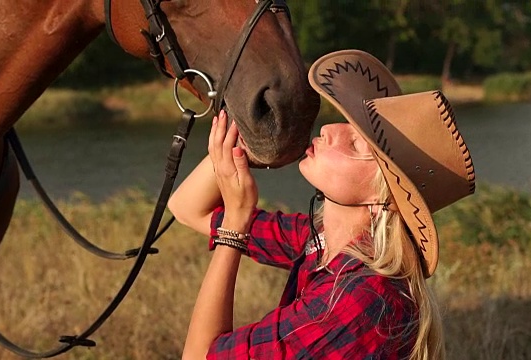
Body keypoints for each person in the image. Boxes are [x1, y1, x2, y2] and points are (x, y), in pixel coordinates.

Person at [168, 50, 476, 360]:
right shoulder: (320, 239)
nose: (329, 130)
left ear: (380, 194)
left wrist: (236, 222)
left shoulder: (363, 298)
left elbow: (198, 356)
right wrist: (246, 142)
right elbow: (187, 208)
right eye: (345, 122)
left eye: (357, 143)